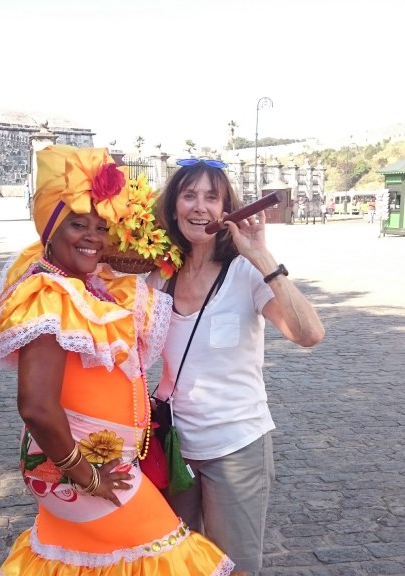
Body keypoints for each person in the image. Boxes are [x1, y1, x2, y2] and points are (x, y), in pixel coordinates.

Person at [0, 145, 234, 575]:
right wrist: (86, 475)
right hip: (77, 468)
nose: (93, 237)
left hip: (96, 464)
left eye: (101, 227)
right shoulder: (49, 294)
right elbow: (36, 407)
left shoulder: (89, 286)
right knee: (172, 558)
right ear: (50, 229)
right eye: (77, 224)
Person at [152, 160, 325, 576]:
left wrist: (262, 256)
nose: (200, 207)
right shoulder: (158, 276)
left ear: (226, 209)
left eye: (212, 197)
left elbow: (309, 334)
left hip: (236, 445)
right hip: (175, 447)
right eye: (189, 196)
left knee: (233, 568)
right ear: (174, 207)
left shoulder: (245, 273)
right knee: (175, 563)